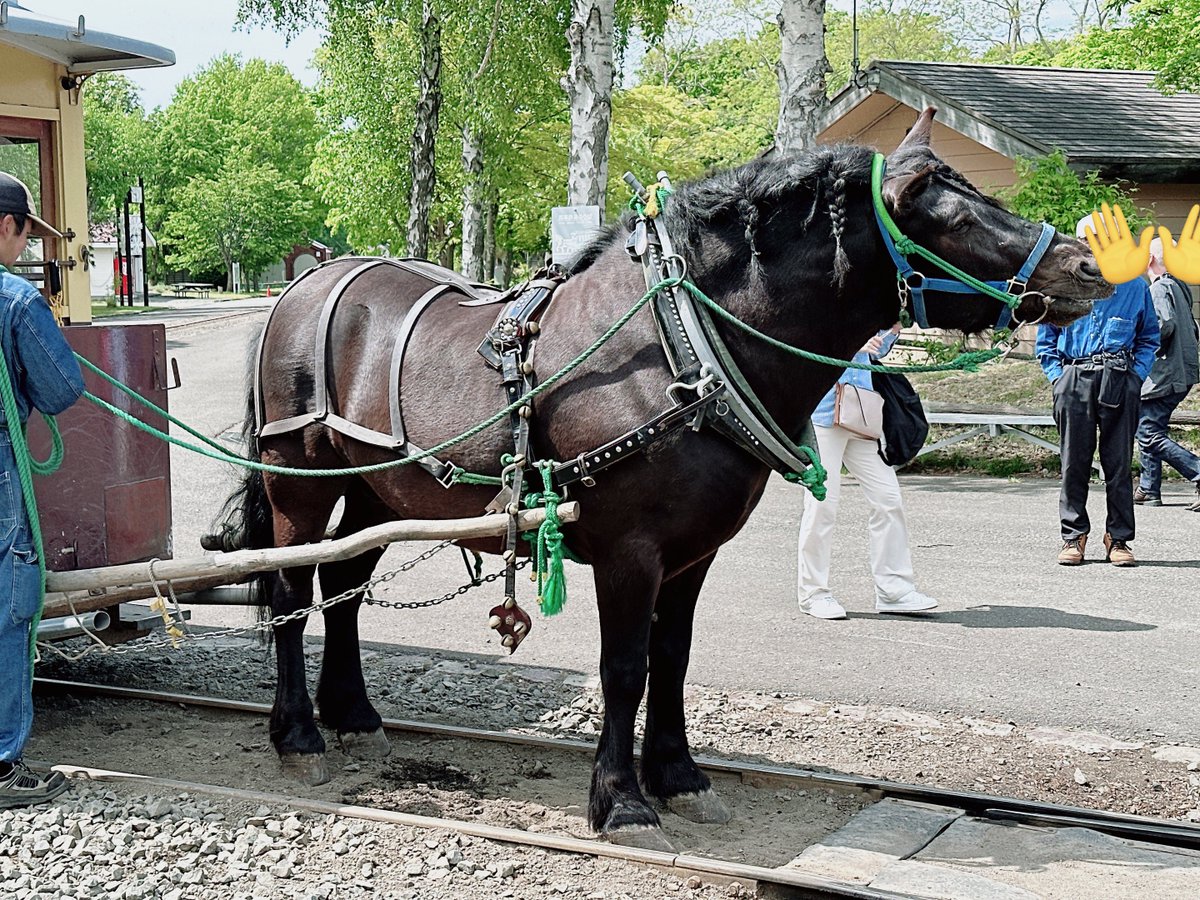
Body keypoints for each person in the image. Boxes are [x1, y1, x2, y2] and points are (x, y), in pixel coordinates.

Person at [0, 171, 84, 808]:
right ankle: (3, 767)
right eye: (26, 235)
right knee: (9, 604)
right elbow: (62, 389)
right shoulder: (17, 302)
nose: (25, 248)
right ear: (9, 226)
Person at [1036, 214, 1160, 568]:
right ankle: (1073, 536)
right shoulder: (1061, 288)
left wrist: (1136, 376)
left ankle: (1118, 538)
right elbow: (1046, 342)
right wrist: (1058, 378)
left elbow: (1149, 337)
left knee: (1118, 465)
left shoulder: (1135, 286)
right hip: (1074, 378)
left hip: (1120, 378)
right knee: (1074, 462)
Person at [797, 324, 938, 619]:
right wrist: (852, 343)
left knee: (888, 500)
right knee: (822, 506)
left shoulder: (863, 302)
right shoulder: (821, 296)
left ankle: (894, 591)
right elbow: (805, 339)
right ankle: (813, 593)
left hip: (862, 411)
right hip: (823, 415)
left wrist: (893, 330)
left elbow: (878, 350)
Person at [1134, 237, 1200, 510]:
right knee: (1149, 427)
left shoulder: (1159, 289)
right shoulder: (1180, 287)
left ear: (1149, 260)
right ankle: (1149, 489)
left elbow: (1162, 326)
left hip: (1164, 375)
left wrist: (1140, 349)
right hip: (1182, 371)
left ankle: (1197, 470)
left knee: (1148, 433)